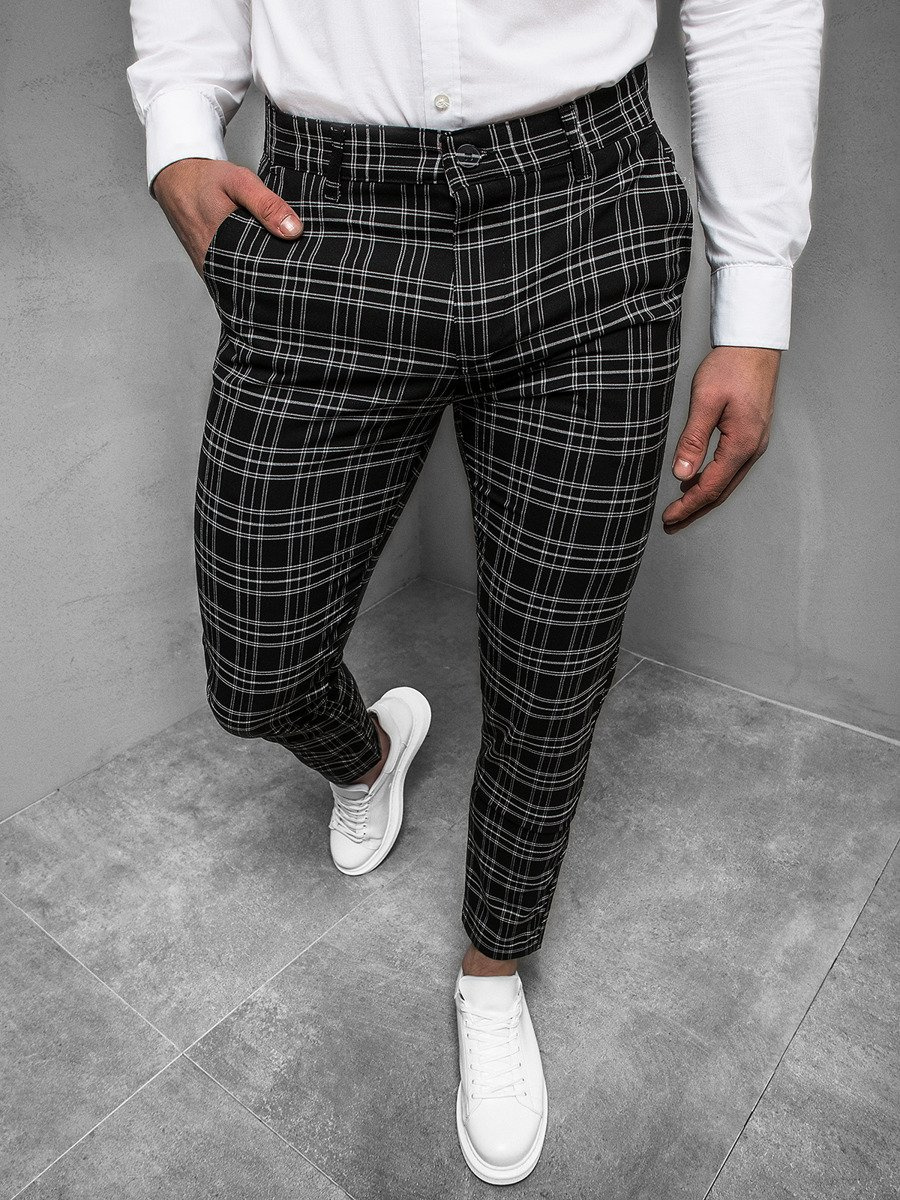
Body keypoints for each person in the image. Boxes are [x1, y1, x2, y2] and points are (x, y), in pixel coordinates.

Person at [126, 0, 824, 1185]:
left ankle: (494, 970)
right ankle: (369, 755)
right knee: (256, 669)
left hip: (586, 207)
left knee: (554, 666)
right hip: (327, 212)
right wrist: (181, 130)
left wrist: (755, 300)